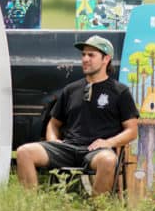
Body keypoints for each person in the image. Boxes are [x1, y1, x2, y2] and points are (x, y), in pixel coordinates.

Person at [16, 35, 139, 196]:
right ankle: (30, 208)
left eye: (91, 55)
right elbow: (54, 123)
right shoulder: (70, 90)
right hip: (68, 148)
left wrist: (108, 142)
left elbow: (132, 131)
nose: (85, 59)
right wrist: (53, 140)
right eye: (83, 55)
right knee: (24, 152)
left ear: (106, 59)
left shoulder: (120, 92)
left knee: (109, 160)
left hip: (96, 152)